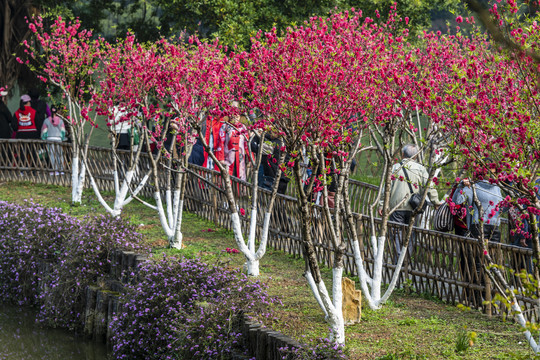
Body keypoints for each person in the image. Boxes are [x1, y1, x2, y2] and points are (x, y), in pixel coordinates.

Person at [378, 144, 442, 257]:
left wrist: (382, 204)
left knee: (396, 233)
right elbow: (429, 187)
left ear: (402, 154)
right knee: (410, 233)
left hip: (396, 207)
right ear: (416, 156)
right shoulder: (421, 169)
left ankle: (398, 261)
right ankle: (406, 258)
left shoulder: (394, 168)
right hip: (414, 207)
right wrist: (436, 202)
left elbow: (386, 188)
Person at [452, 176, 504, 305]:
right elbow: (457, 200)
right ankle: (476, 295)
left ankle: (487, 294)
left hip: (494, 227)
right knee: (476, 261)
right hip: (477, 226)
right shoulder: (473, 186)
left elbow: (503, 206)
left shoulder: (497, 187)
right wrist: (461, 186)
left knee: (491, 261)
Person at [41, 106, 66, 175]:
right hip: (58, 138)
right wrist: (62, 138)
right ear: (57, 111)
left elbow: (44, 131)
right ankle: (61, 169)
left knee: (52, 154)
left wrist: (43, 138)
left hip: (49, 138)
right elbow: (63, 131)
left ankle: (55, 170)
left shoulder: (46, 120)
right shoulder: (61, 120)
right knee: (60, 154)